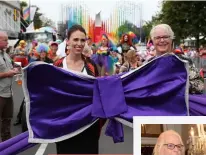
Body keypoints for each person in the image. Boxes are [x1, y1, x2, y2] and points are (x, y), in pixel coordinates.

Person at [54, 25, 104, 154]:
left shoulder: (91, 66)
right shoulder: (58, 65)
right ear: (68, 41)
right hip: (64, 124)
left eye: (83, 40)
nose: (79, 44)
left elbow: (99, 94)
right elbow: (51, 94)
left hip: (88, 125)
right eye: (75, 40)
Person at [148, 24, 204, 94]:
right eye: (158, 38)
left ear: (171, 39)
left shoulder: (184, 61)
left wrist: (176, 85)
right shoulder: (148, 65)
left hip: (179, 103)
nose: (162, 40)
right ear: (153, 41)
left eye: (165, 37)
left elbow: (200, 85)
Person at [0, 31, 19, 141]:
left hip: (8, 93)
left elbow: (11, 65)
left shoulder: (5, 54)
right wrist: (8, 74)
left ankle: (6, 147)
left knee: (7, 121)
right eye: (5, 40)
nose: (8, 42)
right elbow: (6, 72)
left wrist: (15, 69)